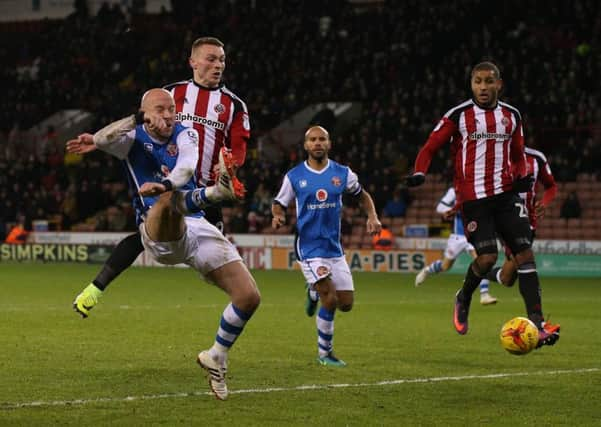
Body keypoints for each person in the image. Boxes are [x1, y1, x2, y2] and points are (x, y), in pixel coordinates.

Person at [66, 89, 260, 400]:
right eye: (160, 109)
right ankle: (215, 193)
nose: (169, 114)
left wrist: (167, 183)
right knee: (169, 200)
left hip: (196, 223)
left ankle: (216, 356)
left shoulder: (186, 134)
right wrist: (135, 120)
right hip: (159, 231)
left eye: (172, 108)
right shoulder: (133, 138)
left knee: (249, 297)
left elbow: (185, 168)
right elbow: (102, 139)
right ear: (145, 112)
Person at [72, 36, 249, 317]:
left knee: (209, 259)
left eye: (222, 60)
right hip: (166, 183)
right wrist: (98, 141)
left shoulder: (234, 105)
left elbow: (238, 146)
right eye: (211, 59)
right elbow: (137, 126)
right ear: (193, 61)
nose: (218, 65)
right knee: (150, 230)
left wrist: (232, 167)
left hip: (202, 186)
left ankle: (238, 299)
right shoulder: (169, 94)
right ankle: (94, 291)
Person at [405, 61, 559, 349]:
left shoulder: (511, 116)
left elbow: (517, 155)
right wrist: (419, 172)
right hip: (474, 199)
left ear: (498, 84)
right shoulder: (459, 115)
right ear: (471, 84)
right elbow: (430, 146)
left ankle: (537, 324)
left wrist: (522, 176)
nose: (483, 87)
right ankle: (463, 297)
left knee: (525, 254)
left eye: (489, 81)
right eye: (478, 82)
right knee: (487, 257)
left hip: (505, 196)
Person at [272, 126, 382, 366]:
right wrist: (278, 215)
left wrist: (372, 216)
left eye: (322, 139)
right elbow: (279, 202)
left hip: (334, 248)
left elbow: (362, 195)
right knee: (329, 299)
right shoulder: (294, 176)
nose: (317, 143)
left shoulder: (342, 174)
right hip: (309, 248)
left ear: (329, 144)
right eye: (313, 139)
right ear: (306, 145)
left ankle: (312, 291)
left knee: (346, 304)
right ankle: (325, 354)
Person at [486, 146, 557, 286]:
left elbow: (551, 186)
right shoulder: (493, 155)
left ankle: (480, 273)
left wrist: (544, 203)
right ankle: (535, 307)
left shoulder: (537, 158)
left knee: (508, 279)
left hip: (528, 222)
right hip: (504, 219)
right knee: (525, 262)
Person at [414, 186, 497, 305]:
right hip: (457, 236)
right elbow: (440, 207)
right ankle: (427, 270)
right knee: (445, 266)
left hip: (474, 234)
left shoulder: (480, 188)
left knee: (482, 261)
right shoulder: (454, 191)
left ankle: (484, 294)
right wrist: (456, 209)